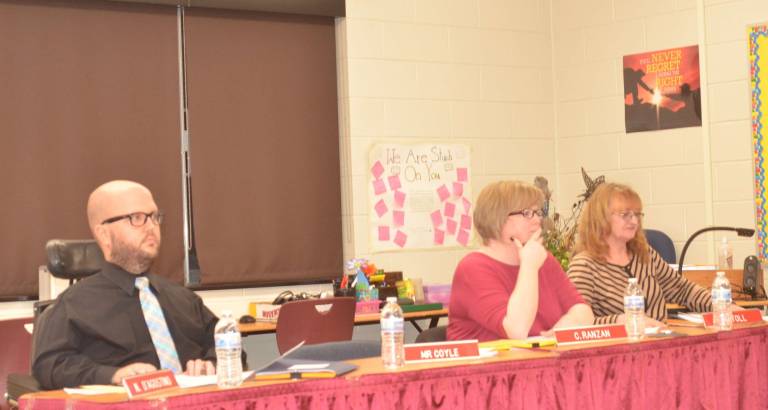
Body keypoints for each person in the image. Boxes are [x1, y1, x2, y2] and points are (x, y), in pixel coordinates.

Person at [33, 180, 221, 389]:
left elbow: (228, 343)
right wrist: (112, 375)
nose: (151, 227)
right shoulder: (72, 306)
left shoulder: (185, 299)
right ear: (104, 234)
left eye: (154, 217)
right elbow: (49, 366)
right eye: (137, 218)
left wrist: (211, 364)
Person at [447, 181, 593, 342]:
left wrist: (569, 324)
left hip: (543, 362)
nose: (537, 220)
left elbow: (583, 311)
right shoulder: (473, 268)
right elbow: (517, 330)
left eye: (538, 212)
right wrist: (529, 267)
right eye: (527, 213)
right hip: (492, 366)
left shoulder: (543, 259)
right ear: (499, 217)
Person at [567, 182, 712, 326]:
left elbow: (683, 290)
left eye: (637, 214)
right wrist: (619, 321)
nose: (634, 221)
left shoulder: (645, 255)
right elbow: (577, 325)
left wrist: (721, 305)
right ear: (601, 218)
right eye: (625, 215)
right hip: (618, 347)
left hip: (661, 341)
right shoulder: (584, 265)